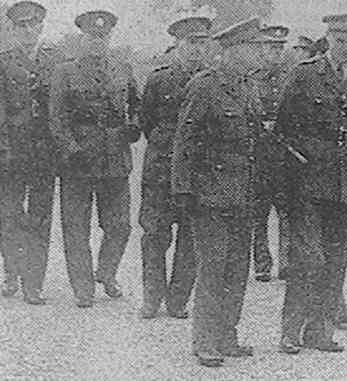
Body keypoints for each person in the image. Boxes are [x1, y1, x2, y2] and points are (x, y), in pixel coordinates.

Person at [276, 13, 347, 353]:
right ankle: (290, 330)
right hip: (308, 178)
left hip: (345, 178)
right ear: (328, 40)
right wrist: (292, 174)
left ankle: (320, 332)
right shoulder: (304, 74)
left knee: (337, 258)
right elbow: (283, 128)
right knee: (308, 258)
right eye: (340, 42)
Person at [171, 17, 267, 367]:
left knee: (237, 270)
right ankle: (205, 341)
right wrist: (183, 190)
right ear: (233, 50)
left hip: (243, 193)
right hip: (210, 195)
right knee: (212, 269)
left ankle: (228, 336)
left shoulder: (247, 86)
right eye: (253, 48)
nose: (259, 55)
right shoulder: (205, 86)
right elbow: (185, 140)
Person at [49, 10, 139, 308]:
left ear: (109, 37)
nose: (98, 42)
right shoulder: (65, 71)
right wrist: (72, 149)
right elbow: (57, 119)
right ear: (82, 38)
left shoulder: (123, 68)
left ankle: (106, 272)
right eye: (92, 37)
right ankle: (83, 287)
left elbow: (136, 105)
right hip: (78, 162)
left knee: (121, 225)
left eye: (103, 37)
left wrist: (134, 126)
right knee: (76, 228)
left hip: (115, 160)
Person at [138, 15, 212, 319]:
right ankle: (152, 298)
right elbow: (147, 122)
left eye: (201, 43)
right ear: (177, 44)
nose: (196, 49)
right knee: (154, 234)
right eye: (190, 43)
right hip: (161, 169)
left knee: (191, 236)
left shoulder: (211, 79)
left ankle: (178, 300)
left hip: (197, 170)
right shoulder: (159, 78)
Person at [0, 1, 60, 305]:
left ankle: (33, 282)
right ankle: (12, 267)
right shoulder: (3, 62)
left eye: (32, 25)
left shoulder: (56, 61)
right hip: (10, 154)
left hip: (44, 154)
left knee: (39, 218)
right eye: (21, 25)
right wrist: (4, 149)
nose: (27, 30)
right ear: (12, 29)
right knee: (8, 216)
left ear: (40, 26)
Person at [251, 25, 292, 282]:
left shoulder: (292, 77)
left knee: (287, 209)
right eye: (270, 47)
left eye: (279, 48)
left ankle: (287, 263)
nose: (275, 52)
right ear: (261, 49)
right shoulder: (251, 78)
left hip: (285, 154)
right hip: (259, 154)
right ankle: (262, 263)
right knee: (259, 211)